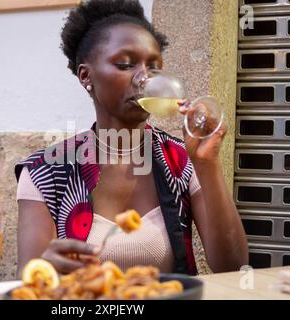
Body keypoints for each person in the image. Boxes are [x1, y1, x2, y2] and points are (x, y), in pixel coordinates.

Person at [15, 0, 248, 276]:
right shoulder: (45, 170)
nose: (144, 79)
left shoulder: (182, 160)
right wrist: (47, 269)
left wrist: (207, 164)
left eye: (154, 68)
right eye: (125, 64)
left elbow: (233, 266)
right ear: (86, 76)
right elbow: (27, 281)